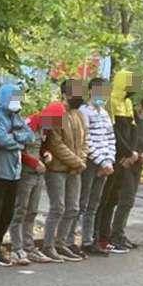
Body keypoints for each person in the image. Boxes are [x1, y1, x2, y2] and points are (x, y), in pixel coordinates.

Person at [0, 82, 35, 267]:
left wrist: (15, 137)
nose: (16, 101)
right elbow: (2, 140)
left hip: (14, 172)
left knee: (7, 213)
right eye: (13, 97)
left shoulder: (16, 116)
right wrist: (18, 140)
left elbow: (30, 136)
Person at [96, 82, 143, 254]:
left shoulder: (126, 107)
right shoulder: (108, 109)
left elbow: (137, 135)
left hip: (128, 159)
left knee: (113, 200)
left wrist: (138, 153)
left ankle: (107, 237)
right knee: (99, 202)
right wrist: (128, 153)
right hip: (114, 160)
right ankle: (100, 237)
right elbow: (114, 134)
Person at [44, 79, 88, 262]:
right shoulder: (54, 110)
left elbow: (85, 141)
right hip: (56, 168)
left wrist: (81, 160)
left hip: (75, 169)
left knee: (73, 208)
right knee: (58, 207)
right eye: (76, 93)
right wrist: (77, 162)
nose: (81, 96)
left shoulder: (79, 115)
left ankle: (61, 244)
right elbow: (54, 143)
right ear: (65, 94)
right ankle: (48, 246)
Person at [76, 77, 116, 256]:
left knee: (94, 203)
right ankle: (71, 240)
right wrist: (100, 161)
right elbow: (86, 139)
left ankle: (88, 241)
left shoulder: (105, 113)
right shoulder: (84, 111)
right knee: (82, 202)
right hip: (91, 162)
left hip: (105, 163)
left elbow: (110, 138)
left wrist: (109, 161)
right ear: (92, 91)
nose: (103, 95)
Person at [9, 104, 52, 263]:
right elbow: (19, 149)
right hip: (26, 173)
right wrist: (33, 163)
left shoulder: (45, 128)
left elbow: (42, 147)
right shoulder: (29, 124)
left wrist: (46, 154)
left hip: (38, 173)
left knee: (32, 211)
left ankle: (29, 246)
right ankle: (16, 248)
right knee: (20, 210)